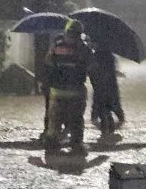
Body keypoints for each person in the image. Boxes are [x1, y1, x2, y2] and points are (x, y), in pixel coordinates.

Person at [43, 18, 92, 153]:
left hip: (57, 92)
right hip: (76, 92)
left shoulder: (56, 46)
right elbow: (92, 67)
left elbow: (48, 62)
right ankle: (76, 144)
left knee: (54, 121)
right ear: (80, 33)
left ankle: (52, 144)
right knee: (76, 121)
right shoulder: (84, 49)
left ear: (66, 32)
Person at [89, 43, 125, 137]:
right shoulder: (111, 56)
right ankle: (108, 132)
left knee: (102, 111)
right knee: (111, 109)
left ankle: (105, 133)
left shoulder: (94, 57)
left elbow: (92, 73)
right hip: (110, 89)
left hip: (100, 90)